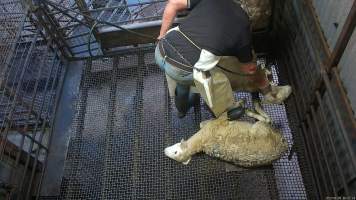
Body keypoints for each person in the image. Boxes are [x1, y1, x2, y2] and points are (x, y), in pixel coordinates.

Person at [155, 0, 291, 118]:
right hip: (182, 69)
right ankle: (225, 112)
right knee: (219, 81)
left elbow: (172, 4)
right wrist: (263, 84)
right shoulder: (242, 26)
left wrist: (161, 36)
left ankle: (182, 110)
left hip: (161, 50)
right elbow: (248, 69)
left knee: (182, 79)